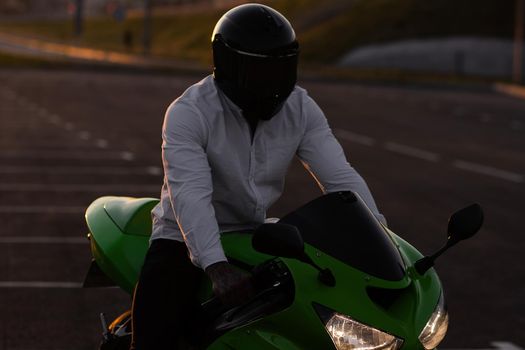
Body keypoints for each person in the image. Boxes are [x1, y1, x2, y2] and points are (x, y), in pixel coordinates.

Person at [130, 3, 386, 350]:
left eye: (281, 69)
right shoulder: (189, 112)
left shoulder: (301, 108)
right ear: (228, 64)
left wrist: (383, 236)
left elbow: (342, 179)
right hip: (182, 237)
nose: (273, 83)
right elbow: (190, 194)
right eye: (260, 71)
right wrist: (216, 266)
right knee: (155, 337)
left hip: (254, 233)